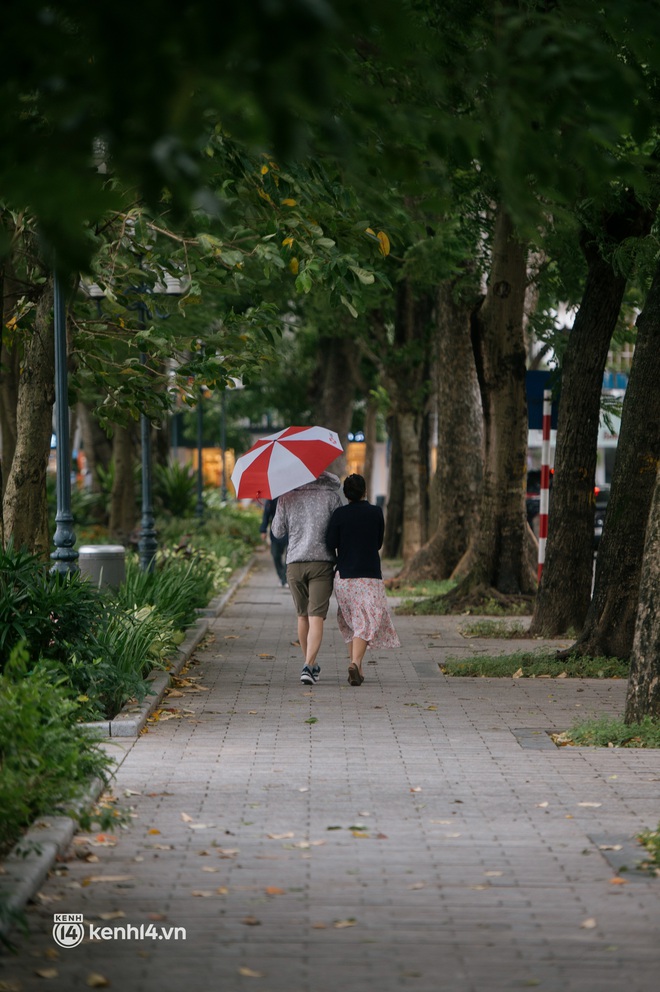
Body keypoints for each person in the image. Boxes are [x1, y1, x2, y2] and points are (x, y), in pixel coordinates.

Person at [325, 473, 400, 686]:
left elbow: (330, 543)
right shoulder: (376, 512)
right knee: (366, 621)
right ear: (365, 491)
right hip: (369, 576)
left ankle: (357, 667)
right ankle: (356, 663)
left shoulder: (339, 514)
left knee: (353, 622)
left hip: (345, 577)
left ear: (346, 494)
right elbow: (378, 543)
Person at [271, 471, 343, 685]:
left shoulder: (287, 496)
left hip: (294, 563)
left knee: (302, 616)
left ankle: (309, 664)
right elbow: (338, 530)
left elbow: (277, 532)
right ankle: (308, 666)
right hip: (322, 563)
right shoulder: (331, 497)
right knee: (316, 617)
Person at [259, 498, 288, 586]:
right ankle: (281, 576)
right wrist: (263, 530)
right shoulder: (272, 499)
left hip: (290, 531)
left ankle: (285, 579)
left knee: (289, 557)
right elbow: (266, 514)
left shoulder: (293, 495)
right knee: (275, 554)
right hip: (276, 531)